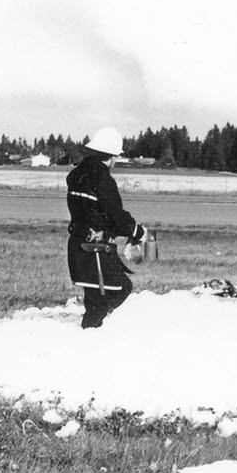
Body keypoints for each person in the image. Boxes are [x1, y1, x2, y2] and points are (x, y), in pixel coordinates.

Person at [65, 127, 150, 328]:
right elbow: (115, 216)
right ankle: (90, 333)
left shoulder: (76, 176)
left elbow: (97, 215)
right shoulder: (103, 179)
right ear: (110, 156)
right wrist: (137, 231)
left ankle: (93, 324)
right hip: (96, 251)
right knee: (119, 289)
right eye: (115, 157)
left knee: (94, 296)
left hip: (78, 244)